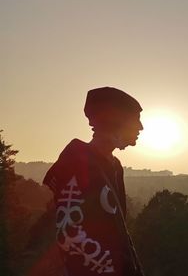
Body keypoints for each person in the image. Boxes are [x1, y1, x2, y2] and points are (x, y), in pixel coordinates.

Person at [43, 87, 145, 276]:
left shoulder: (114, 166)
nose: (141, 127)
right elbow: (70, 235)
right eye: (135, 119)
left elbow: (119, 233)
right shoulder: (77, 161)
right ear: (115, 121)